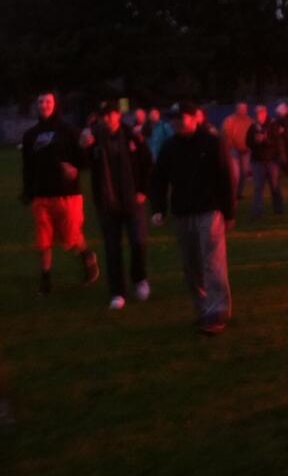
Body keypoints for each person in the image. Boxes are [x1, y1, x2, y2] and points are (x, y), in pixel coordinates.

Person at [151, 102, 235, 335]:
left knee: (213, 264)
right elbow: (158, 179)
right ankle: (202, 310)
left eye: (181, 118)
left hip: (209, 211)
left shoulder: (211, 142)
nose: (176, 122)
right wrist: (158, 208)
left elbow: (225, 177)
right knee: (191, 266)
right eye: (173, 119)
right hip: (182, 214)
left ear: (195, 118)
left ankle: (217, 312)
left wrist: (228, 212)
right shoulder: (169, 147)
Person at [21, 92, 100, 295]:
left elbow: (84, 160)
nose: (44, 105)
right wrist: (28, 190)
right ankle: (45, 280)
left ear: (55, 104)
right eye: (40, 101)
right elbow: (27, 166)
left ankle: (87, 256)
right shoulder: (30, 135)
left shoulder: (68, 130)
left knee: (72, 238)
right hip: (42, 195)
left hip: (67, 195)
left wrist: (74, 167)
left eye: (48, 101)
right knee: (43, 240)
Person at [81, 101, 154, 310]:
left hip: (133, 200)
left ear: (118, 116)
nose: (108, 119)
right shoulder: (95, 140)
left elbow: (147, 162)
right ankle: (117, 292)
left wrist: (143, 190)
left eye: (112, 114)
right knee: (112, 249)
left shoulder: (132, 136)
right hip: (108, 202)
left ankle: (139, 278)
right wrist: (84, 148)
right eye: (105, 116)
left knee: (138, 242)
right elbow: (84, 163)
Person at [246, 104, 285, 219]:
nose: (258, 115)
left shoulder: (273, 125)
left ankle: (279, 209)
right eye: (256, 113)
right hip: (257, 161)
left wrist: (266, 140)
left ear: (265, 113)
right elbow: (247, 142)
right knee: (258, 187)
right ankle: (257, 212)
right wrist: (255, 141)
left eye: (260, 113)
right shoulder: (253, 127)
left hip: (272, 160)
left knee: (275, 186)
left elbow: (277, 142)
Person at [221, 102, 254, 204]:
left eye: (244, 108)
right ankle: (233, 194)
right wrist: (231, 144)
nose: (242, 110)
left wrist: (249, 146)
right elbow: (226, 134)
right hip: (233, 149)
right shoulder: (229, 120)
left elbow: (253, 135)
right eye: (240, 108)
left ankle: (240, 192)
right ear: (236, 109)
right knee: (235, 173)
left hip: (246, 150)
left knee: (244, 172)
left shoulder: (250, 121)